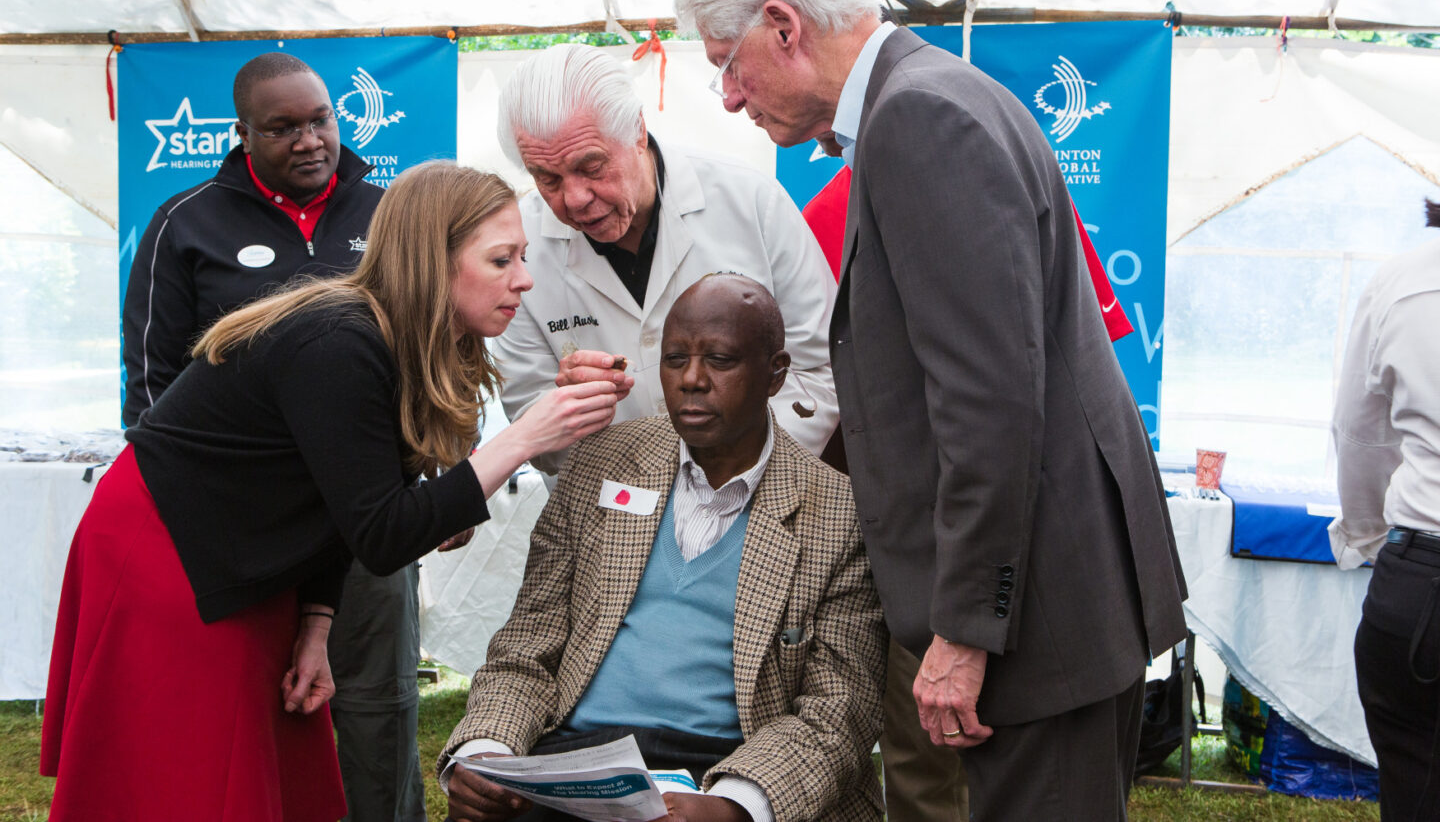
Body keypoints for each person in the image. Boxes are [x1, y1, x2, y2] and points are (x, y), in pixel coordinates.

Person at [677, 0, 1188, 822]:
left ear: (784, 26)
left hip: (1037, 618)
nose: (726, 95)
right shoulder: (931, 97)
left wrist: (964, 631)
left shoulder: (919, 120)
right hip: (1053, 599)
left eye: (726, 60)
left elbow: (989, 404)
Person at [42, 162, 620, 822]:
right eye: (501, 259)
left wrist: (315, 625)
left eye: (522, 255)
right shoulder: (340, 342)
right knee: (188, 779)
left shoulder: (407, 340)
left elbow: (337, 504)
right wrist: (521, 437)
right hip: (167, 553)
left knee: (272, 778)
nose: (525, 277)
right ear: (433, 262)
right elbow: (384, 533)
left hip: (241, 553)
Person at [439, 274, 886, 822]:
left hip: (731, 767)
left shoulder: (838, 514)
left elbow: (839, 709)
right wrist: (487, 752)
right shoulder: (601, 461)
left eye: (720, 360)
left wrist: (734, 806)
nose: (692, 381)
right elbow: (527, 645)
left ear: (776, 375)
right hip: (578, 763)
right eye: (675, 359)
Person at [120, 51, 431, 822]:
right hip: (246, 534)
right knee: (256, 715)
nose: (308, 140)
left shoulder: (389, 214)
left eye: (320, 119)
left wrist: (426, 472)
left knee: (374, 708)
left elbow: (428, 360)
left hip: (366, 522)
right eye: (282, 127)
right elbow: (152, 391)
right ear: (242, 133)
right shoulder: (183, 222)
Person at [488, 43, 838, 474]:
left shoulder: (751, 201)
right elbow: (528, 416)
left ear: (636, 130)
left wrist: (730, 474)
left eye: (591, 166)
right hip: (607, 519)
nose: (575, 198)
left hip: (761, 495)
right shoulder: (519, 249)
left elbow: (819, 368)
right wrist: (565, 414)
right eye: (548, 179)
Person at [1330, 198, 1440, 820]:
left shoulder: (1402, 281)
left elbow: (1359, 433)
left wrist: (1372, 538)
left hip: (1422, 576)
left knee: (1416, 791)